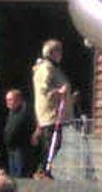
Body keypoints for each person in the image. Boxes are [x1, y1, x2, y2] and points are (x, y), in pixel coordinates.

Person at [30, 40, 72, 181]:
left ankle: (45, 169)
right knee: (51, 142)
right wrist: (59, 92)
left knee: (55, 142)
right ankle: (42, 169)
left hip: (56, 112)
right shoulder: (46, 68)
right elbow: (44, 88)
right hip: (50, 112)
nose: (61, 54)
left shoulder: (54, 68)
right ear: (51, 53)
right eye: (58, 51)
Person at [0, 87, 35, 181]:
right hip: (11, 148)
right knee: (13, 176)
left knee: (21, 176)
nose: (8, 102)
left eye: (10, 100)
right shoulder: (11, 112)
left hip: (21, 149)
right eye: (7, 100)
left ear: (19, 100)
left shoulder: (25, 112)